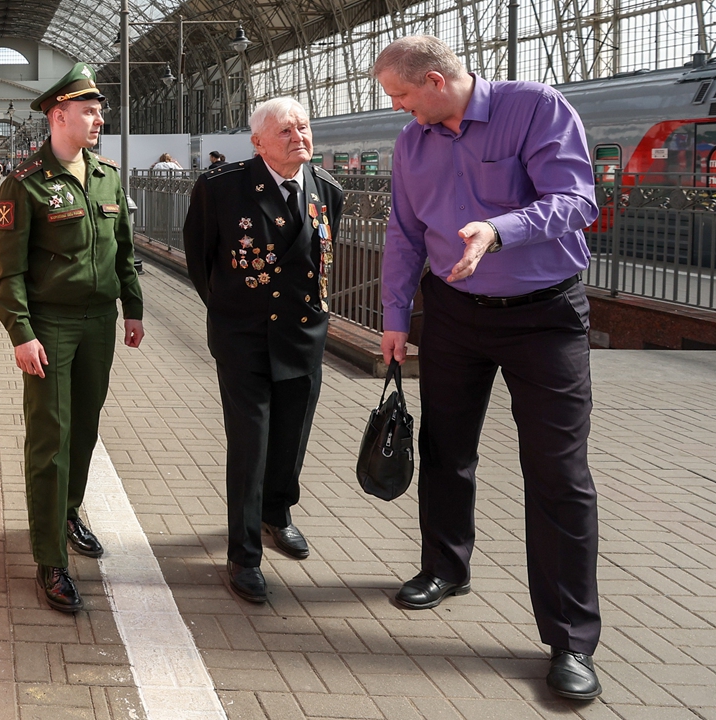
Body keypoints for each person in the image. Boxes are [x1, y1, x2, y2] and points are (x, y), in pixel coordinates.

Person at [373, 36, 602, 700]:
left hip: (545, 314)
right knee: (446, 449)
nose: (399, 110)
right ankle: (445, 568)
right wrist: (394, 315)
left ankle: (570, 640)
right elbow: (403, 231)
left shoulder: (535, 110)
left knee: (558, 471)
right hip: (455, 315)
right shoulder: (412, 144)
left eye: (403, 96)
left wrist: (498, 229)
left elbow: (577, 200)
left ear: (437, 81)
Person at [0, 62, 145, 613]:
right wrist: (21, 332)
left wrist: (134, 309)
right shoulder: (25, 183)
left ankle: (70, 509)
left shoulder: (106, 177)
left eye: (98, 109)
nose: (100, 117)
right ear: (60, 116)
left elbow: (123, 252)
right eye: (90, 109)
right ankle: (49, 556)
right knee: (50, 438)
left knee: (85, 426)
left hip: (100, 324)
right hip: (50, 327)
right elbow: (7, 274)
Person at [182, 97, 344, 603]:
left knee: (291, 440)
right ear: (258, 142)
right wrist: (232, 312)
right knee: (250, 446)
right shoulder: (221, 187)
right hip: (245, 338)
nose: (299, 136)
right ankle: (243, 554)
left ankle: (278, 514)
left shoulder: (327, 191)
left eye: (304, 127)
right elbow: (199, 258)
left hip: (302, 338)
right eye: (286, 130)